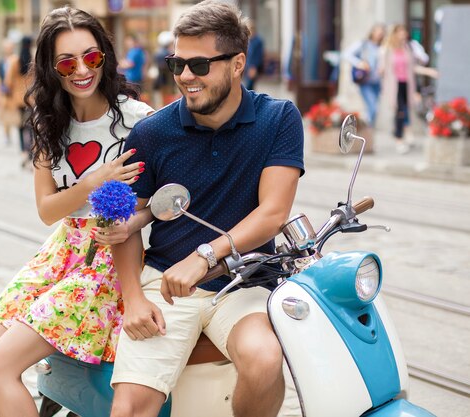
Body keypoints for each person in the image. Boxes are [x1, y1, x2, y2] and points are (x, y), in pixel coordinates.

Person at [109, 1, 304, 417]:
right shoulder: (151, 132)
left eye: (199, 65)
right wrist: (132, 297)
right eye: (176, 63)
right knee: (129, 408)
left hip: (245, 281)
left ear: (237, 64)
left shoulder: (278, 118)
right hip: (164, 283)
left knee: (264, 359)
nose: (184, 77)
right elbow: (125, 225)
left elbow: (273, 213)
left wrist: (205, 256)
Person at [0, 6, 154, 417]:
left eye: (92, 57)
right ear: (51, 67)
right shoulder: (50, 122)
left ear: (105, 56)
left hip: (108, 263)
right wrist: (91, 182)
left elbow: (156, 205)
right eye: (67, 61)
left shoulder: (140, 123)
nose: (81, 69)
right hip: (61, 251)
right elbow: (47, 210)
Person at [379, 24, 424, 154]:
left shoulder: (408, 47)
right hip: (394, 85)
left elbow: (414, 66)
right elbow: (382, 69)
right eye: (400, 31)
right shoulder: (387, 49)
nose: (403, 34)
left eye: (404, 31)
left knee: (405, 109)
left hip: (407, 84)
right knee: (400, 111)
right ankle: (399, 139)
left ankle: (405, 133)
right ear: (394, 33)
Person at [343, 23, 386, 127]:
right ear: (372, 32)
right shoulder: (363, 44)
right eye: (378, 31)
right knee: (372, 107)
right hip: (365, 81)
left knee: (374, 109)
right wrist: (359, 63)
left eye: (382, 32)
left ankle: (368, 131)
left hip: (377, 82)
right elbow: (346, 54)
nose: (379, 34)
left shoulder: (383, 47)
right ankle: (366, 128)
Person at [5, 35, 34, 167]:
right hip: (32, 98)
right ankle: (32, 151)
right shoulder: (33, 60)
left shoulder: (14, 61)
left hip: (18, 99)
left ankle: (23, 150)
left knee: (21, 127)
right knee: (33, 126)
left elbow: (8, 81)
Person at [0, 38, 20, 146]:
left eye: (10, 47)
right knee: (5, 115)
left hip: (15, 91)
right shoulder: (1, 62)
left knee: (16, 114)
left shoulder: (16, 59)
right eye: (6, 47)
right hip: (4, 92)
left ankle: (18, 134)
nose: (8, 49)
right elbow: (0, 76)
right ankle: (6, 135)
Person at [152, 31, 175, 107]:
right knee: (167, 100)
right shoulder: (167, 54)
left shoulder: (158, 52)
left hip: (161, 80)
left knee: (163, 100)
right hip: (166, 80)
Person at [243, 21, 264, 90]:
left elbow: (258, 55)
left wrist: (254, 67)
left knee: (249, 87)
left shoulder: (258, 41)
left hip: (253, 67)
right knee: (247, 86)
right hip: (247, 66)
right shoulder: (249, 40)